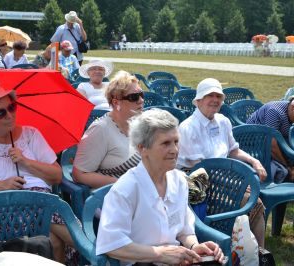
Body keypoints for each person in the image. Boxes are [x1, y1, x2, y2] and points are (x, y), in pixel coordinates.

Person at [0, 84, 76, 264]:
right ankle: (92, 249)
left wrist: (25, 161)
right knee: (58, 239)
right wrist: (1, 185)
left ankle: (90, 248)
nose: (10, 115)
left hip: (42, 201)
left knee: (55, 239)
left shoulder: (31, 135)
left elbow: (56, 176)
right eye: (1, 113)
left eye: (12, 107)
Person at [96, 109, 225, 266]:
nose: (174, 150)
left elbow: (184, 229)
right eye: (165, 143)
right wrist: (159, 254)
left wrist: (194, 246)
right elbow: (111, 244)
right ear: (142, 148)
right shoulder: (126, 189)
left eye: (176, 142)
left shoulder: (179, 180)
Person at [177, 78, 267, 248]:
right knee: (254, 201)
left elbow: (233, 150)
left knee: (254, 201)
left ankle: (258, 251)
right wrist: (236, 182)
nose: (215, 100)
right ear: (198, 101)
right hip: (199, 183)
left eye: (218, 95)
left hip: (223, 177)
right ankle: (255, 251)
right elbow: (202, 167)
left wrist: (255, 161)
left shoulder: (223, 121)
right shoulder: (188, 127)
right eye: (209, 95)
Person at [72, 71, 143, 189]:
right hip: (112, 196)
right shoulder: (100, 129)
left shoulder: (140, 124)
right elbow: (79, 174)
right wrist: (122, 183)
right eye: (134, 97)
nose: (141, 100)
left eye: (141, 95)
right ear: (116, 102)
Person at [247, 98, 294, 182]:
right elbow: (271, 145)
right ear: (293, 108)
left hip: (278, 138)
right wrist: (288, 167)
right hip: (253, 141)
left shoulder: (289, 111)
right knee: (284, 169)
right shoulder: (275, 111)